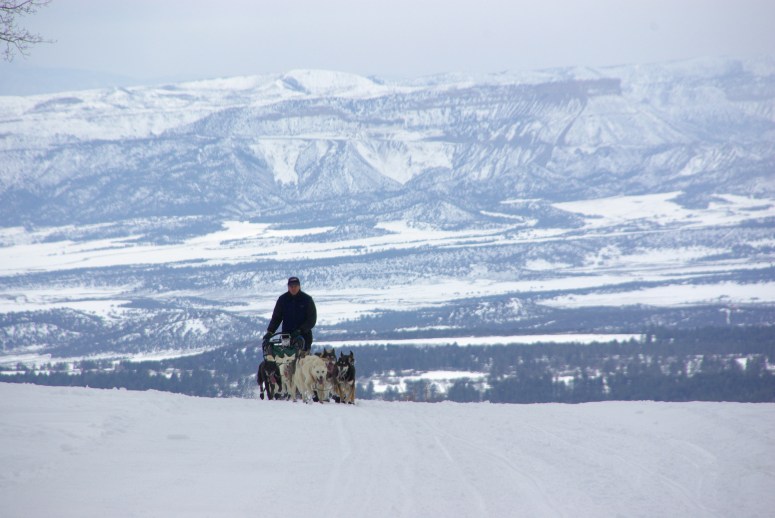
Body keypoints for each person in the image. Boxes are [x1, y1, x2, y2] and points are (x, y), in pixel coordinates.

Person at [263, 276, 317, 352]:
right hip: (286, 336)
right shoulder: (282, 299)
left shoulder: (307, 300)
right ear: (288, 287)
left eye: (295, 286)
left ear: (299, 286)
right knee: (286, 356)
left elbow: (312, 320)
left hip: (304, 337)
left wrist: (301, 330)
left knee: (302, 357)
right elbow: (276, 317)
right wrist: (270, 331)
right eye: (291, 286)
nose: (293, 288)